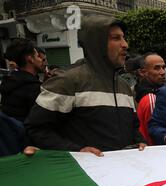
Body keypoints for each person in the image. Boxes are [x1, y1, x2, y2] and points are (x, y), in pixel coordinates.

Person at [25, 16, 146, 156]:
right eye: (116, 38)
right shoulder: (67, 81)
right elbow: (36, 129)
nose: (125, 44)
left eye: (124, 38)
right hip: (85, 174)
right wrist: (77, 150)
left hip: (123, 171)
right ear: (96, 43)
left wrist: (139, 141)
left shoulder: (124, 87)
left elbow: (133, 128)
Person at [0, 39, 45, 123]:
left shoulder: (9, 82)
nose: (42, 60)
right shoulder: (32, 88)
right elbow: (40, 122)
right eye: (37, 56)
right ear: (30, 59)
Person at [135, 52, 166, 145]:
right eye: (157, 68)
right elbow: (155, 134)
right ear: (143, 72)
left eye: (164, 67)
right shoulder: (152, 99)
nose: (162, 72)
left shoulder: (155, 94)